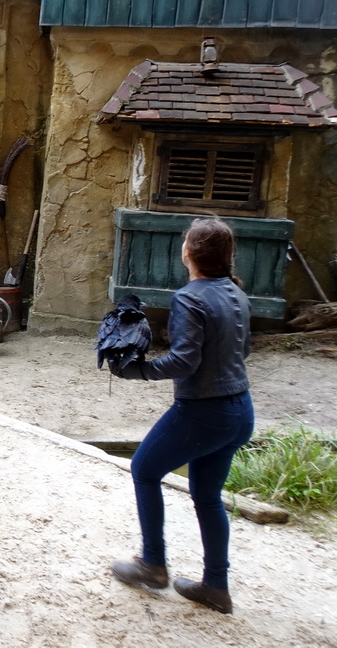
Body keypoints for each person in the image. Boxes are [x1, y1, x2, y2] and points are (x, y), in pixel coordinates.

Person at [108, 217, 254, 614]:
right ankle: (216, 587)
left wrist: (139, 371)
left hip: (204, 412)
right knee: (207, 496)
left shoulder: (190, 297)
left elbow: (186, 360)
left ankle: (153, 564)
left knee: (144, 469)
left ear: (187, 252)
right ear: (228, 256)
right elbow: (245, 351)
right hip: (241, 411)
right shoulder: (236, 294)